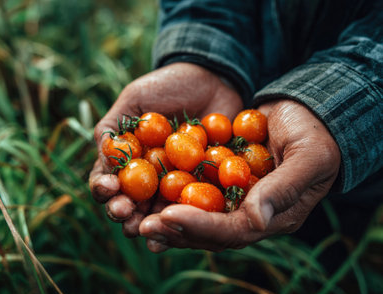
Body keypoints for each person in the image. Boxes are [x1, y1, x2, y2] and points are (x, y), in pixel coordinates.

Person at [89, 0, 383, 253]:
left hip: (361, 147)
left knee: (335, 231)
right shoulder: (186, 151)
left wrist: (337, 108)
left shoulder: (211, 154)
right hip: (254, 100)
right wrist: (203, 56)